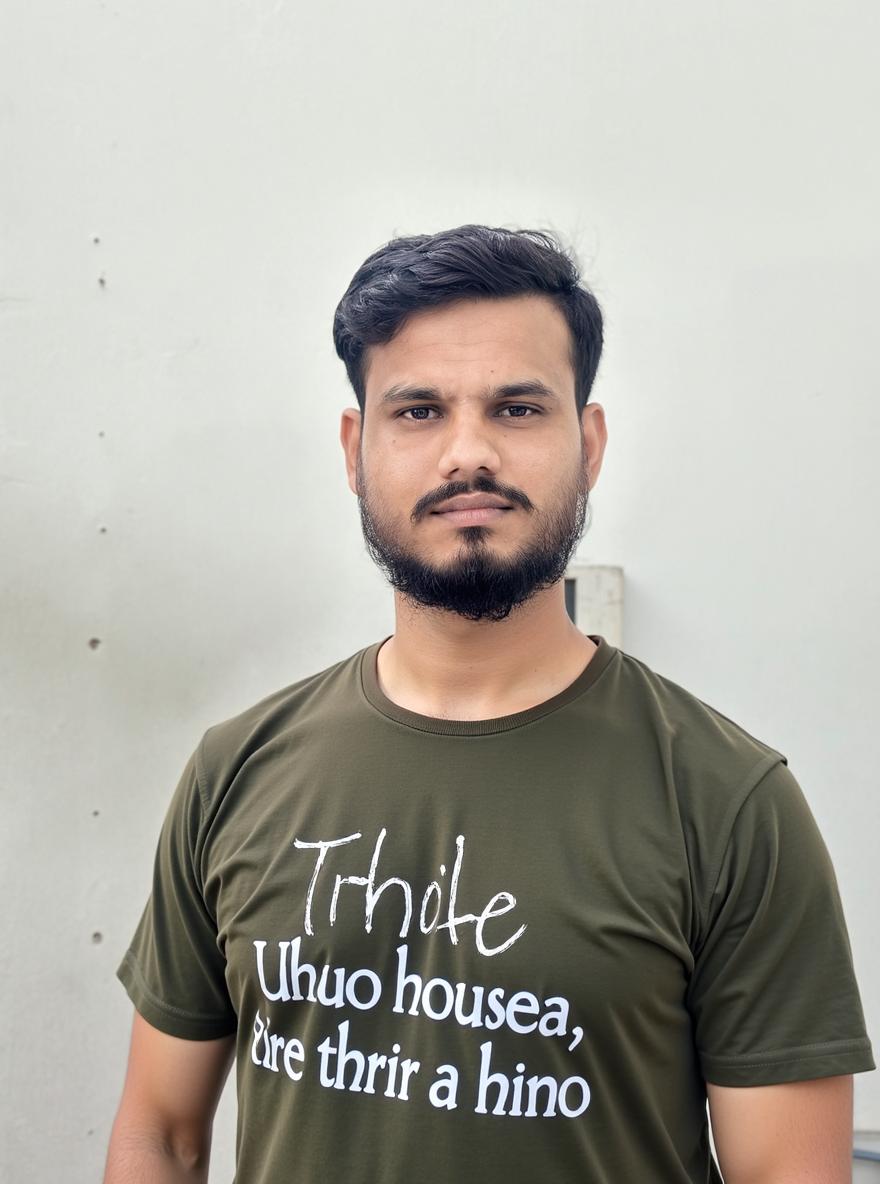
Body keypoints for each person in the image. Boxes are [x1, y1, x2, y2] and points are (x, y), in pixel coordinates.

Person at [103, 224, 874, 1184]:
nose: (468, 453)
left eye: (517, 407)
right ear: (356, 449)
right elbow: (162, 1134)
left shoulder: (728, 800)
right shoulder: (237, 769)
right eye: (418, 411)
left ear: (587, 444)